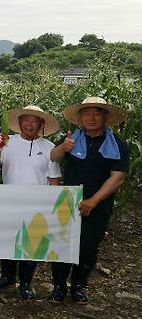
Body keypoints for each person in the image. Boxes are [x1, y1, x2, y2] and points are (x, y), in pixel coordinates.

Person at [49, 97, 129, 304]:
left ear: (105, 117)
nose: (91, 118)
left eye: (96, 114)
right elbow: (54, 157)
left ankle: (79, 286)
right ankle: (58, 287)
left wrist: (93, 200)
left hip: (99, 204)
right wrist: (63, 148)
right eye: (86, 114)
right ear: (80, 118)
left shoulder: (117, 144)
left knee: (88, 246)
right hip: (67, 201)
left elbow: (117, 177)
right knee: (61, 245)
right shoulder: (72, 138)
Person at [0, 105, 62, 299]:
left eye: (34, 120)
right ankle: (7, 277)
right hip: (9, 202)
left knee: (33, 243)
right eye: (26, 120)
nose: (30, 124)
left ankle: (26, 283)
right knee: (8, 240)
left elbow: (54, 178)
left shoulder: (49, 148)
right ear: (19, 123)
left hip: (37, 205)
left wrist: (52, 206)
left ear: (41, 125)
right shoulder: (8, 142)